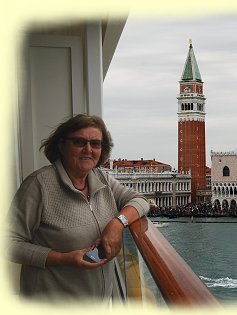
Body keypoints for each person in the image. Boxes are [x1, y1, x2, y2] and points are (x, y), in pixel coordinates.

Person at [8, 114, 149, 302]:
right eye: (79, 142)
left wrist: (117, 223)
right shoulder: (39, 185)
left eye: (95, 144)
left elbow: (140, 200)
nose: (88, 150)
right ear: (61, 145)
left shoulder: (101, 179)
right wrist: (62, 258)